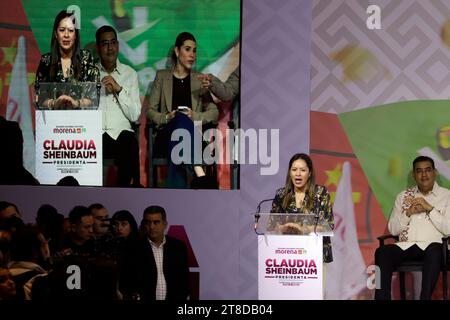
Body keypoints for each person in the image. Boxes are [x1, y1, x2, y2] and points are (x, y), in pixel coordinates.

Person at [146, 32, 218, 189]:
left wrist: (194, 115)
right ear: (177, 51)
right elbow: (150, 111)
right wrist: (166, 117)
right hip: (165, 135)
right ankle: (198, 169)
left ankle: (180, 190)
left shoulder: (199, 79)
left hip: (189, 137)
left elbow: (214, 112)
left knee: (182, 124)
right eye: (187, 49)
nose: (192, 54)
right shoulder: (162, 76)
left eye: (194, 50)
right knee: (178, 119)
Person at [375, 156, 450, 300]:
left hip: (434, 249)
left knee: (435, 250)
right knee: (381, 252)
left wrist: (430, 209)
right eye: (419, 171)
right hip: (406, 247)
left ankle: (424, 298)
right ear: (414, 175)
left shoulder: (447, 196)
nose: (424, 175)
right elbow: (393, 230)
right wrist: (408, 213)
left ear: (435, 173)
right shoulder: (403, 197)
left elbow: (448, 229)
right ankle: (380, 297)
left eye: (428, 170)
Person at [95, 25, 141, 187]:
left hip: (121, 136)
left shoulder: (130, 74)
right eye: (105, 43)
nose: (110, 48)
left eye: (113, 43)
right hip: (96, 134)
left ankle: (123, 192)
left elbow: (135, 115)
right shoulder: (89, 73)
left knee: (129, 141)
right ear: (98, 47)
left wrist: (118, 89)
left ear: (118, 46)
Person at [270, 153, 334, 263]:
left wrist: (303, 229)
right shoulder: (281, 194)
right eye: (294, 169)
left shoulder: (321, 193)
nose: (298, 174)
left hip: (315, 255)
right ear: (290, 173)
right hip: (287, 255)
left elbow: (328, 225)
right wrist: (283, 228)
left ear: (309, 173)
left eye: (302, 170)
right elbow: (271, 226)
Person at [35, 10, 99, 109]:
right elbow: (39, 98)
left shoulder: (86, 59)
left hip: (82, 122)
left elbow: (94, 98)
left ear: (76, 34)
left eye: (70, 30)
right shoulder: (46, 60)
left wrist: (76, 103)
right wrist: (54, 103)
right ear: (56, 34)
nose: (66, 35)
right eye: (62, 30)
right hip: (53, 122)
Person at [139, 205, 189, 300]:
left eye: (156, 222)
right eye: (148, 222)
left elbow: (184, 279)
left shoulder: (178, 247)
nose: (151, 226)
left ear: (165, 224)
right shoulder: (136, 248)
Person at [110, 210, 143, 300]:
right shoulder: (108, 245)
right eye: (116, 224)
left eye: (124, 224)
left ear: (131, 226)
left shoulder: (141, 246)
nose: (119, 228)